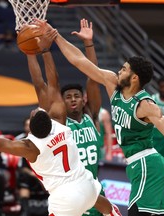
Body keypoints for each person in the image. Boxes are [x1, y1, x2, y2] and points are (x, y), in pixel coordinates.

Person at [0, 30, 120, 216]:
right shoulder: (61, 124)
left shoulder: (30, 146)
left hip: (66, 196)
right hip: (86, 184)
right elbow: (52, 83)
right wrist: (45, 51)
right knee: (107, 207)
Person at [34, 19, 164, 215]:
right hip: (137, 166)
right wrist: (55, 36)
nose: (119, 70)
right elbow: (79, 61)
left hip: (148, 164)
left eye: (124, 69)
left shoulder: (145, 105)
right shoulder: (112, 83)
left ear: (134, 78)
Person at [60, 18, 109, 216]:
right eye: (68, 97)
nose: (73, 100)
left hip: (95, 188)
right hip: (71, 192)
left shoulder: (92, 116)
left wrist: (88, 44)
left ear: (83, 100)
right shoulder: (61, 123)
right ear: (62, 102)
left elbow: (94, 77)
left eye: (77, 96)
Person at [151, 76, 164, 165]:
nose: (163, 89)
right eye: (161, 87)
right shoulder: (153, 99)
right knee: (152, 163)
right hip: (153, 136)